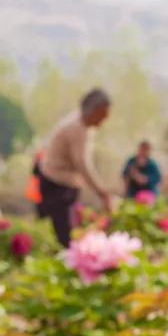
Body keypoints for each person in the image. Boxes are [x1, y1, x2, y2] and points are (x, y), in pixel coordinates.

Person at [37, 89, 114, 247]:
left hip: (64, 183)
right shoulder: (76, 128)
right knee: (66, 238)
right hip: (56, 183)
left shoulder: (83, 125)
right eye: (102, 115)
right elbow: (83, 164)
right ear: (92, 111)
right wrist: (102, 192)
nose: (103, 120)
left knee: (70, 232)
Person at [26, 149, 45, 216]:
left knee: (41, 201)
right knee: (39, 202)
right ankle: (40, 215)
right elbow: (34, 173)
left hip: (43, 185)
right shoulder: (38, 164)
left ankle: (42, 215)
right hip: (38, 185)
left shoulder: (43, 163)